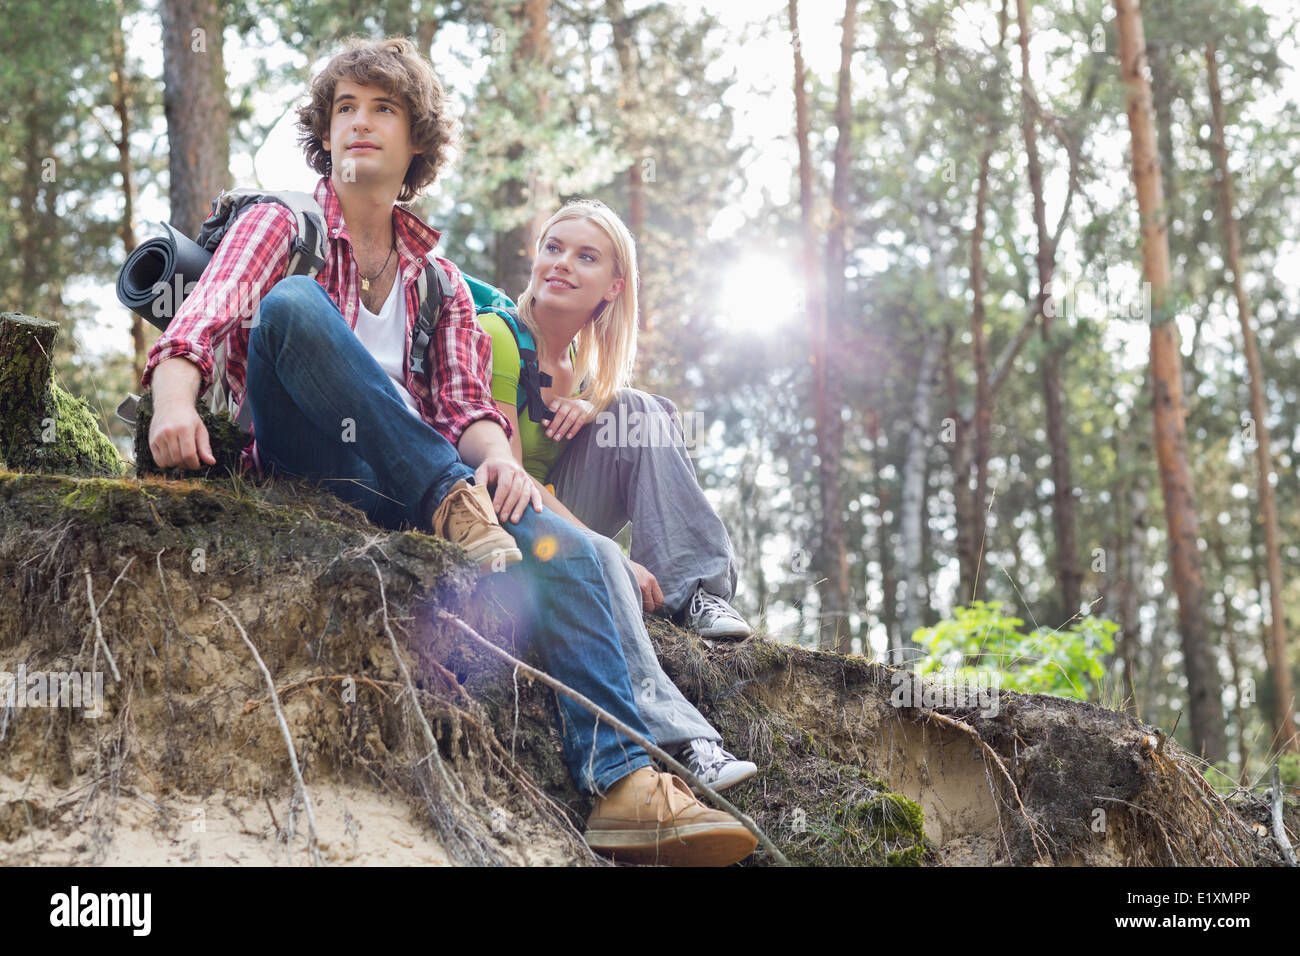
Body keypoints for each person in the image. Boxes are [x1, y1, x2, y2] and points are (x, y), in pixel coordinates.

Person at [141, 35, 754, 867]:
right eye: (344, 108)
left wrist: (498, 459)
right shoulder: (284, 222)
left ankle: (622, 782)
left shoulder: (443, 280)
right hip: (308, 458)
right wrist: (173, 402)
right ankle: (451, 498)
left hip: (411, 483)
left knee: (568, 545)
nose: (359, 123)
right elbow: (206, 314)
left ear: (416, 141)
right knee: (290, 306)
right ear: (324, 131)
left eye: (383, 108)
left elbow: (469, 405)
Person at [476, 199, 757, 789]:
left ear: (613, 286)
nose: (561, 264)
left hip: (560, 501)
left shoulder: (582, 359)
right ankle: (687, 744)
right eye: (553, 248)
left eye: (585, 257)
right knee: (603, 555)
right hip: (507, 514)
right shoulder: (498, 337)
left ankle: (696, 594)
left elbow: (623, 415)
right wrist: (610, 549)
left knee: (644, 410)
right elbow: (513, 480)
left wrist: (597, 402)